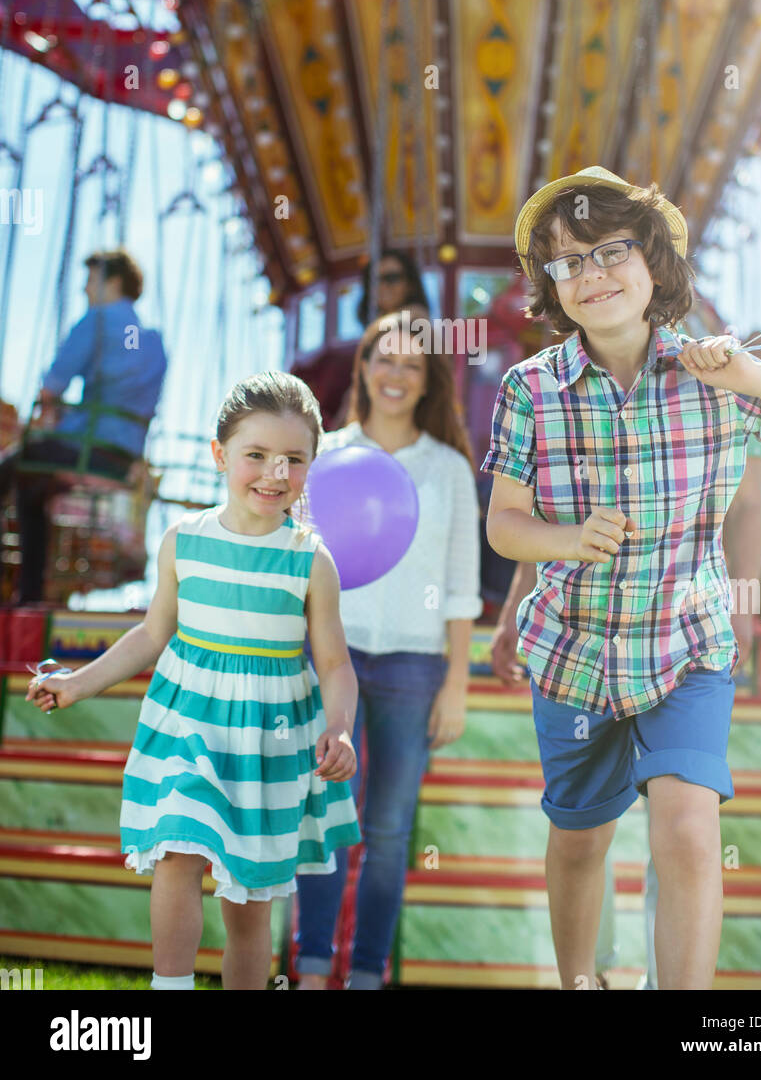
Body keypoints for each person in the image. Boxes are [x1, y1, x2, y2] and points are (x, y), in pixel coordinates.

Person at [481, 165, 761, 991]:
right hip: (576, 653)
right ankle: (582, 981)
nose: (591, 274)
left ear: (653, 260)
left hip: (687, 645)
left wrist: (752, 375)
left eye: (610, 250)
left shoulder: (712, 374)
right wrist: (567, 537)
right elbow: (504, 523)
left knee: (688, 827)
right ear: (551, 289)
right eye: (567, 263)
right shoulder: (529, 389)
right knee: (581, 839)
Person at [26, 371, 361, 991]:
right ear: (220, 456)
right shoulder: (183, 542)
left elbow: (336, 664)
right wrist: (81, 682)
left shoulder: (312, 559)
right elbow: (152, 634)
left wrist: (338, 727)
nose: (273, 473)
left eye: (293, 460)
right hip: (188, 724)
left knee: (247, 904)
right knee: (177, 851)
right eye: (255, 455)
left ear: (311, 466)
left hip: (268, 740)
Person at [294, 310, 481, 990]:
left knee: (391, 831)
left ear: (429, 376)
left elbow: (462, 586)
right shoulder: (327, 455)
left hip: (413, 664)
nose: (395, 374)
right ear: (364, 369)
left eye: (411, 363)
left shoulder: (450, 469)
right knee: (322, 817)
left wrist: (456, 682)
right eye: (384, 359)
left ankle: (367, 973)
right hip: (331, 656)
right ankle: (312, 967)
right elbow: (298, 563)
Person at [0, 249, 167, 602]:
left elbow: (52, 388)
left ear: (114, 282)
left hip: (86, 447)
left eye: (91, 281)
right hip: (122, 456)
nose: (85, 290)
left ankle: (28, 591)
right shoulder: (151, 340)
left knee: (14, 466)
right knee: (33, 487)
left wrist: (51, 417)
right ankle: (30, 594)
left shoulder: (99, 321)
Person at [293, 249, 431, 430]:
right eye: (374, 280)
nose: (383, 286)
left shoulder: (415, 321)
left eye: (392, 278)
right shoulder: (372, 333)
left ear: (410, 284)